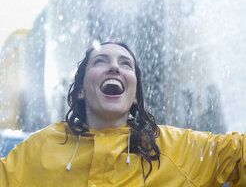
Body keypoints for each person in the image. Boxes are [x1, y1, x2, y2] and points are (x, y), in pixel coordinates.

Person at [1, 41, 246, 187]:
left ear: (136, 95)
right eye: (100, 61)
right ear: (81, 91)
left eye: (126, 64)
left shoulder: (176, 149)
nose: (115, 67)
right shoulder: (39, 148)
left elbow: (239, 154)